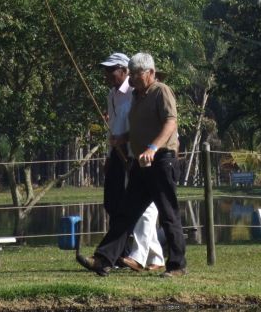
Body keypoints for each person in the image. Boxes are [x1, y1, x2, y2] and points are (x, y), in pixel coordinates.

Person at [78, 52, 186, 278]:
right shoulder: (137, 96)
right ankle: (103, 259)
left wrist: (152, 148)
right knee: (126, 213)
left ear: (151, 73)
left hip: (161, 160)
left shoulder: (161, 91)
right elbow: (139, 128)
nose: (133, 78)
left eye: (138, 74)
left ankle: (177, 266)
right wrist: (123, 138)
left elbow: (170, 123)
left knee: (168, 213)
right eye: (132, 74)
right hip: (141, 163)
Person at [99, 52, 164, 272]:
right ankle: (154, 257)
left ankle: (136, 255)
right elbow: (114, 128)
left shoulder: (137, 92)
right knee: (115, 204)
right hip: (118, 154)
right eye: (106, 70)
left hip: (136, 154)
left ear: (124, 70)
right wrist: (110, 155)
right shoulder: (112, 95)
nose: (108, 74)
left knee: (143, 206)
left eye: (112, 70)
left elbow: (147, 125)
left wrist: (142, 151)